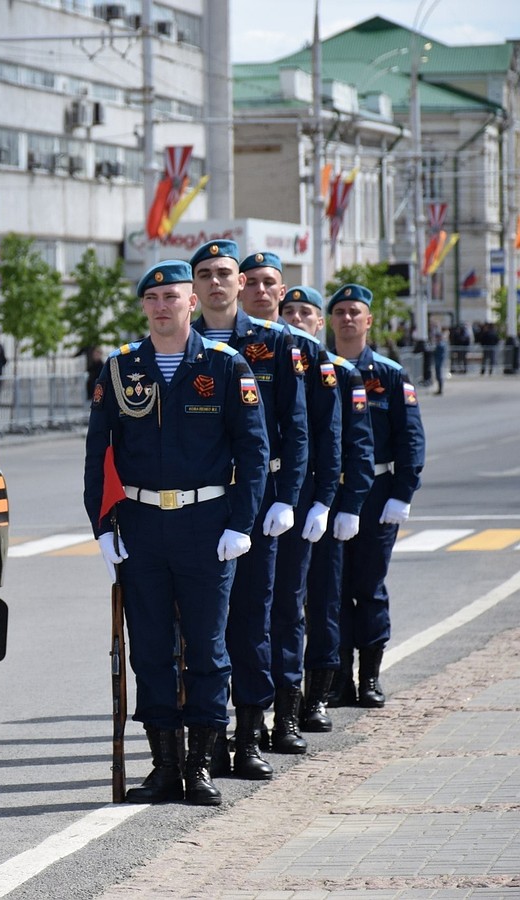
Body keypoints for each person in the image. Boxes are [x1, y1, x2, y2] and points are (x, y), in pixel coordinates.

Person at [84, 259, 269, 807]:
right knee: (151, 650)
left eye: (172, 296)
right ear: (144, 306)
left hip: (206, 525)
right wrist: (101, 526)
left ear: (193, 302)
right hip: (141, 525)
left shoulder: (227, 365)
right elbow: (99, 456)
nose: (162, 306)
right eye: (153, 298)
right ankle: (164, 765)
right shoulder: (120, 370)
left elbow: (254, 453)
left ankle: (200, 766)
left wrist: (242, 522)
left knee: (209, 652)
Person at [191, 240, 307, 781]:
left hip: (256, 500)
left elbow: (298, 427)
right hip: (195, 506)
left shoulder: (274, 345)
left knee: (252, 622)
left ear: (243, 283)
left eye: (226, 274)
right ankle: (206, 740)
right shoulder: (173, 346)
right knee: (195, 630)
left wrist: (287, 497)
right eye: (206, 274)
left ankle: (251, 736)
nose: (217, 283)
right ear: (193, 289)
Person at [238, 255, 341, 756]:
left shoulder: (302, 350)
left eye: (269, 284)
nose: (260, 291)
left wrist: (321, 500)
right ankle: (247, 718)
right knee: (244, 611)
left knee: (286, 606)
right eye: (252, 283)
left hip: (289, 496)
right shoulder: (228, 344)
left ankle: (288, 713)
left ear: (282, 293)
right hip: (238, 496)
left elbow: (320, 432)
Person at [280, 286, 375, 732]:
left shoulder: (338, 372)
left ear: (320, 323)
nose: (297, 318)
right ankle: (284, 694)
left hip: (325, 503)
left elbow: (357, 445)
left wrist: (349, 505)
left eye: (306, 313)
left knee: (323, 602)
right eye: (290, 311)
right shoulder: (268, 364)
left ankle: (318, 695)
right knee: (280, 607)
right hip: (280, 501)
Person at [327, 283, 425, 708]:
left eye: (355, 312)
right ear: (331, 321)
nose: (348, 318)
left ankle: (368, 678)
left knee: (368, 587)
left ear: (368, 321)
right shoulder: (321, 370)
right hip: (332, 494)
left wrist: (402, 493)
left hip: (378, 494)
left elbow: (411, 438)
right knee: (333, 590)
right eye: (341, 312)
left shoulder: (388, 374)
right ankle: (338, 679)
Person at [431, 326, 447, 395]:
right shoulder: (440, 344)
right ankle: (439, 389)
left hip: (439, 361)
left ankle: (440, 390)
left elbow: (437, 352)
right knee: (438, 375)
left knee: (439, 375)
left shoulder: (440, 345)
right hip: (438, 361)